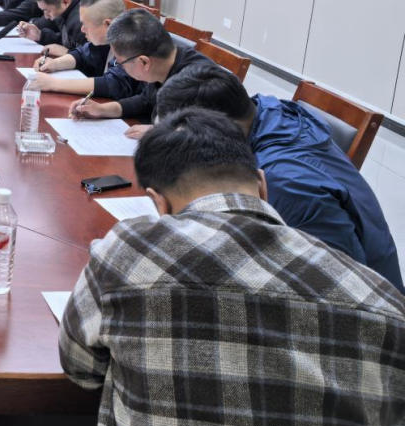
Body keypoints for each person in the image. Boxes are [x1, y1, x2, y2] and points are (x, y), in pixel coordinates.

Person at [60, 108, 405, 426]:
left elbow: (82, 368)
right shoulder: (384, 303)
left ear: (158, 203)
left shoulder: (129, 251)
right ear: (263, 185)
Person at [155, 64, 403, 291]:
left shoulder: (282, 183)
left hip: (363, 302)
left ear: (217, 128)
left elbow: (333, 283)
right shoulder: (266, 110)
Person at [69, 8, 215, 138]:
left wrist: (159, 132)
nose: (120, 67)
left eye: (120, 63)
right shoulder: (164, 62)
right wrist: (102, 109)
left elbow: (205, 136)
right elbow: (146, 101)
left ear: (144, 62)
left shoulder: (200, 84)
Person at [30, 0, 125, 85]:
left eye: (86, 25)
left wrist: (55, 84)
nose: (82, 29)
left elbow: (111, 84)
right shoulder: (105, 41)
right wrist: (55, 63)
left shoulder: (129, 49)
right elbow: (83, 55)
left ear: (107, 24)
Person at [18, 0, 87, 52]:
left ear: (65, 2)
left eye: (47, 10)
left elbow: (92, 57)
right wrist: (40, 35)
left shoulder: (83, 20)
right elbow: (69, 42)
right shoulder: (69, 6)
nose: (46, 16)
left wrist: (67, 53)